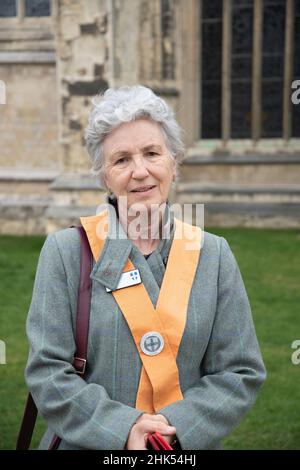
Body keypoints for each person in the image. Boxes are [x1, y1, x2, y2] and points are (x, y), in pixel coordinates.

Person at [25, 85, 266, 450]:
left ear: (174, 162)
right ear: (104, 175)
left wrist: (177, 426)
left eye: (152, 153)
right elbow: (47, 372)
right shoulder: (64, 252)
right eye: (121, 160)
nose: (140, 171)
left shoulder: (214, 254)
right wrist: (124, 428)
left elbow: (240, 371)